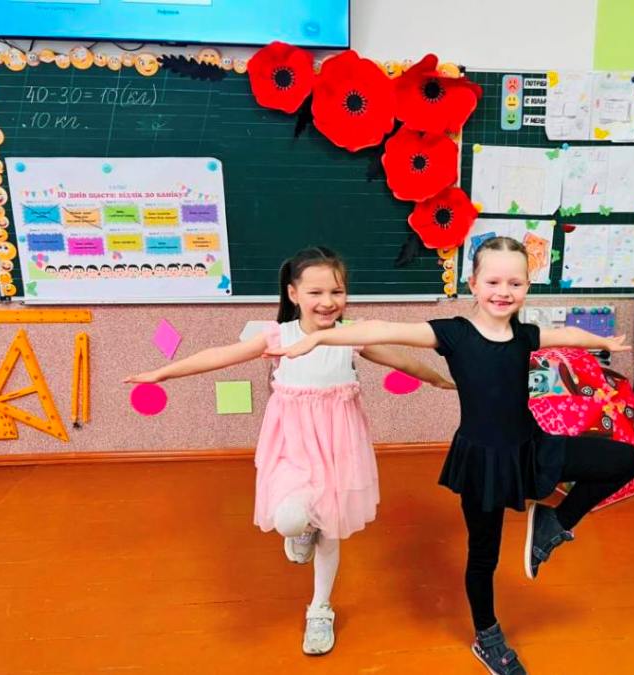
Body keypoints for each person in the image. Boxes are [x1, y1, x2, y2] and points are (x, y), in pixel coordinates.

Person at [266, 237, 634, 674]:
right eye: (493, 281)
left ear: (527, 286)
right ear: (473, 283)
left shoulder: (526, 335)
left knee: (626, 460)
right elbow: (380, 330)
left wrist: (603, 341)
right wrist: (319, 339)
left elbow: (569, 335)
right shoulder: (453, 333)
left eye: (515, 283)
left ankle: (553, 524)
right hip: (482, 463)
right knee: (484, 555)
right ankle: (487, 636)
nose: (504, 291)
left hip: (532, 448)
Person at [125, 246, 453, 656]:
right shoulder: (279, 336)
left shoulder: (350, 338)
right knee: (290, 519)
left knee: (332, 526)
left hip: (338, 444)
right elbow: (219, 357)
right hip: (291, 444)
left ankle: (320, 608)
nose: (328, 302)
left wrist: (441, 381)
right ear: (293, 293)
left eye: (337, 291)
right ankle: (303, 528)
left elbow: (403, 362)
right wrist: (162, 373)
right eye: (316, 292)